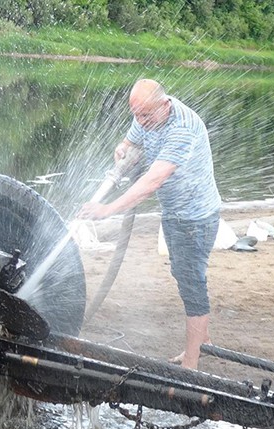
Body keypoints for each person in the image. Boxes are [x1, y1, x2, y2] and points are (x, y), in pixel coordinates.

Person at [78, 79, 221, 370]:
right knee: (183, 275)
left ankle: (191, 363)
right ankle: (202, 342)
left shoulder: (182, 129)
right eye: (136, 115)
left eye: (146, 116)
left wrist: (108, 210)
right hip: (174, 213)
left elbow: (152, 181)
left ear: (164, 105)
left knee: (192, 283)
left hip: (195, 218)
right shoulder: (146, 115)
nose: (141, 122)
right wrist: (122, 149)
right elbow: (131, 141)